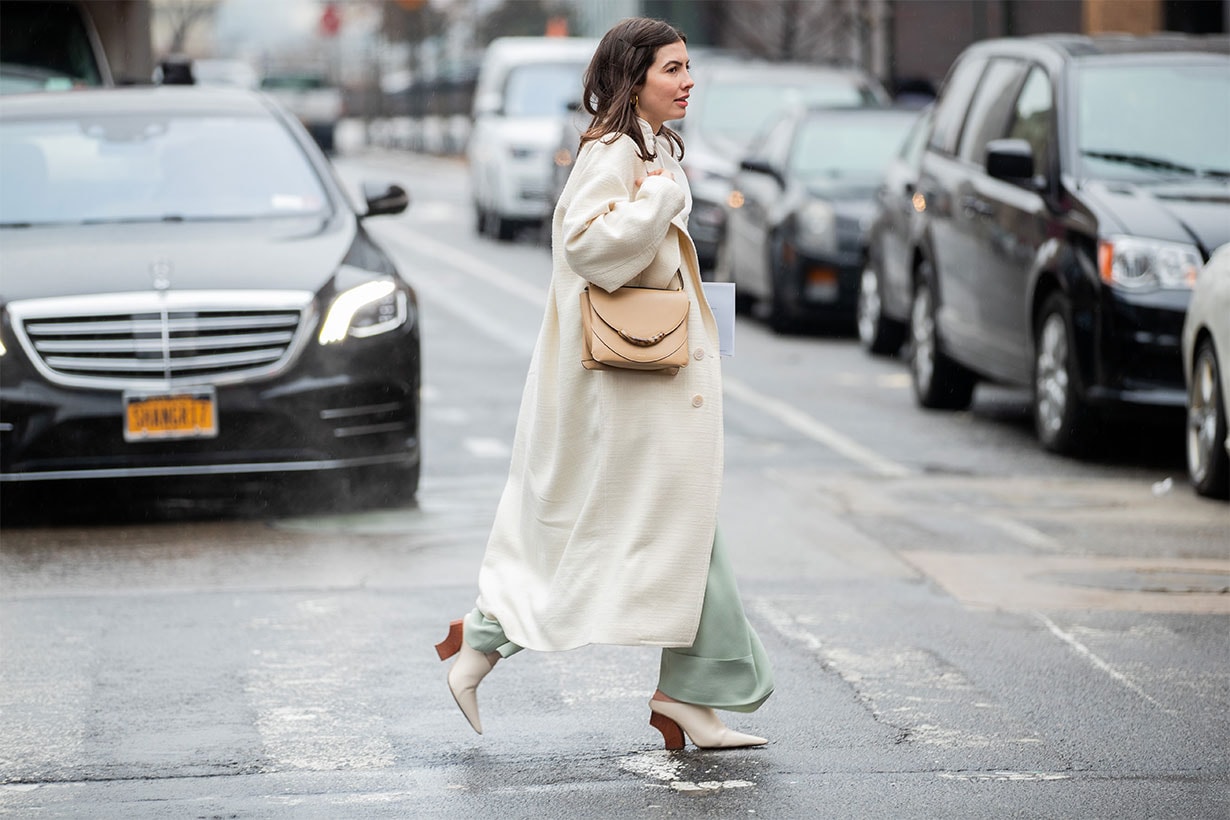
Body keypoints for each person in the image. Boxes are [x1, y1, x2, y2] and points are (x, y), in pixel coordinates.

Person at [435, 17, 774, 750]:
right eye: (672, 70)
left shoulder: (645, 146)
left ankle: (687, 696)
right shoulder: (614, 152)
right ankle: (485, 644)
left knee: (678, 538)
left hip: (649, 391)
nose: (688, 82)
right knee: (614, 535)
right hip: (625, 398)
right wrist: (661, 200)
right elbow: (588, 247)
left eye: (689, 67)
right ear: (634, 77)